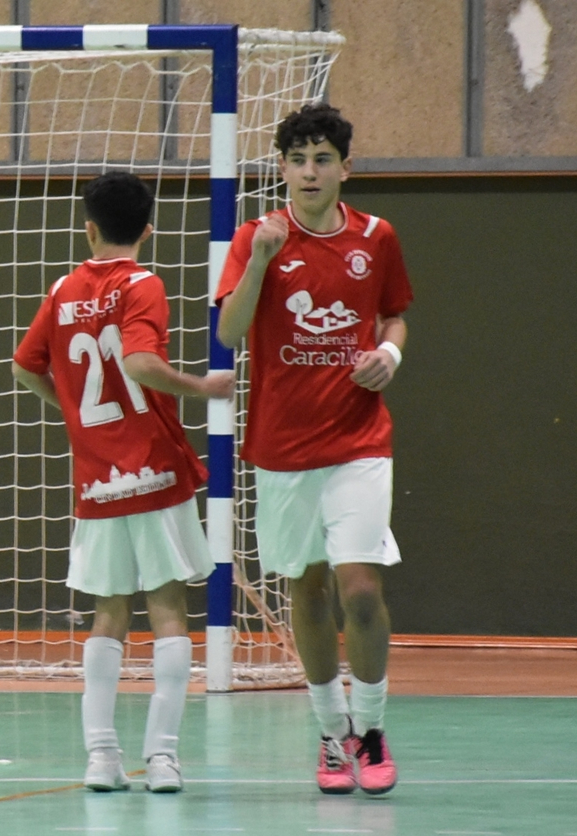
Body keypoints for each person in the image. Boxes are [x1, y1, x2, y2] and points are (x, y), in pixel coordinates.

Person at [12, 172, 234, 794]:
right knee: (167, 609)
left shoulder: (62, 290)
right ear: (148, 229)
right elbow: (139, 362)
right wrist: (202, 386)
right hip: (154, 468)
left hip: (98, 476)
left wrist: (74, 413)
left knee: (108, 612)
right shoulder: (144, 284)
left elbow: (24, 365)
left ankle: (101, 758)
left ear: (89, 229)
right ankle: (161, 758)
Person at [215, 104, 412, 796]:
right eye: (297, 160)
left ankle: (373, 728)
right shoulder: (256, 237)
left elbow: (394, 315)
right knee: (307, 587)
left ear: (344, 168)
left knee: (360, 588)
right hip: (283, 447)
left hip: (359, 440)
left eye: (322, 159)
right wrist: (260, 262)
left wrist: (389, 353)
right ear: (282, 168)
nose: (309, 172)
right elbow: (229, 333)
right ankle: (332, 735)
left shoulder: (376, 237)